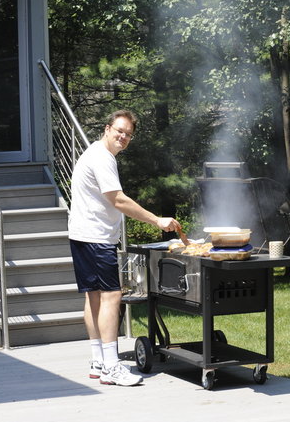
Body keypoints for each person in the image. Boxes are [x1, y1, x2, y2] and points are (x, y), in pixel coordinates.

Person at [68, 110, 181, 386]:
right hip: (96, 237)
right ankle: (111, 367)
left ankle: (98, 360)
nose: (123, 137)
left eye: (128, 134)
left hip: (82, 234)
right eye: (119, 131)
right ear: (107, 128)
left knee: (93, 297)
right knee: (111, 297)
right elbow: (118, 199)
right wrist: (157, 220)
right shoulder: (102, 158)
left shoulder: (93, 152)